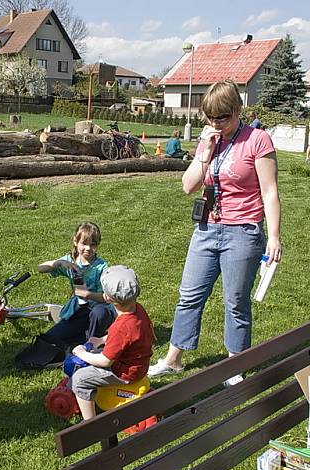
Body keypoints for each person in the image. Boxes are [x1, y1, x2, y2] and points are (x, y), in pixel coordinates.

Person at [148, 80, 282, 380]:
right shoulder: (209, 139)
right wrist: (205, 151)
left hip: (243, 231)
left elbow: (270, 192)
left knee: (235, 301)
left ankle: (236, 366)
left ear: (237, 110)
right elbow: (188, 186)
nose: (215, 123)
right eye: (209, 118)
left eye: (221, 117)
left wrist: (273, 236)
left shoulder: (257, 140)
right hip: (207, 229)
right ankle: (174, 359)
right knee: (189, 295)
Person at [70, 265, 153, 420]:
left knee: (80, 379)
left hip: (123, 373)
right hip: (139, 365)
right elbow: (129, 338)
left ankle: (90, 423)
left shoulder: (120, 327)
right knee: (94, 354)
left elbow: (105, 361)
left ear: (107, 298)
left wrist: (82, 353)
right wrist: (102, 340)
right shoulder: (138, 311)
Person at [38, 221, 115, 348]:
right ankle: (83, 336)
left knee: (98, 312)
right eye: (84, 244)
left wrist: (87, 294)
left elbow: (107, 297)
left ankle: (92, 343)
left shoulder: (101, 267)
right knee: (50, 339)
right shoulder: (71, 261)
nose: (88, 248)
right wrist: (60, 263)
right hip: (78, 310)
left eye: (93, 244)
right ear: (76, 242)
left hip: (99, 312)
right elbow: (40, 268)